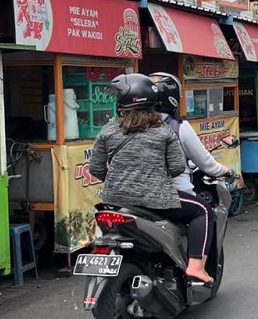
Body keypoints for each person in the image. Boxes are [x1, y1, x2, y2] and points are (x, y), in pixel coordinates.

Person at [89, 73, 216, 283]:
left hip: (114, 201)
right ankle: (196, 266)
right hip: (156, 201)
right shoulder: (164, 131)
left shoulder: (107, 131)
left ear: (122, 104)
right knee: (202, 210)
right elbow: (177, 168)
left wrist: (117, 180)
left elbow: (96, 168)